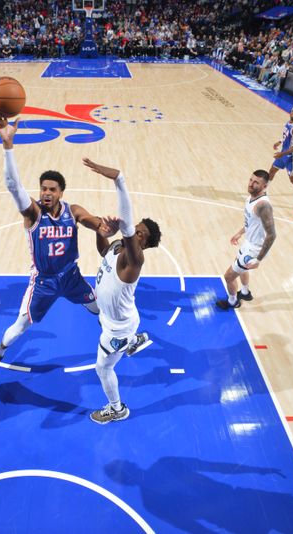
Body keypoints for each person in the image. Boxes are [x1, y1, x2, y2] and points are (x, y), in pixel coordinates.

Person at [0, 115, 108, 379]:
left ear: (61, 192)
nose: (46, 193)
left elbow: (90, 221)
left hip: (71, 276)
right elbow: (12, 186)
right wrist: (7, 146)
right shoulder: (33, 214)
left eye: (52, 189)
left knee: (100, 309)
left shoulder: (72, 211)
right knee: (19, 327)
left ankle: (112, 338)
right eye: (43, 189)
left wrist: (102, 226)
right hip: (43, 282)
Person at [83, 157, 161, 424]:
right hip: (119, 316)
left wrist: (119, 180)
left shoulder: (135, 260)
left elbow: (126, 225)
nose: (135, 234)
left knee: (102, 369)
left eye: (140, 235)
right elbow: (103, 251)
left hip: (117, 328)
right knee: (89, 304)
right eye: (136, 230)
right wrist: (101, 231)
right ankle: (134, 341)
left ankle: (117, 408)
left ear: (145, 244)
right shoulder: (117, 246)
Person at [216, 170, 276, 310]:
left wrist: (258, 259)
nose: (251, 184)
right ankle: (245, 293)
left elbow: (272, 235)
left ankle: (233, 302)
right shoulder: (250, 198)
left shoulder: (263, 205)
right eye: (250, 180)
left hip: (255, 249)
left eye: (256, 183)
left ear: (265, 186)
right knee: (241, 268)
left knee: (229, 277)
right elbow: (251, 221)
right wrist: (239, 233)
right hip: (249, 243)